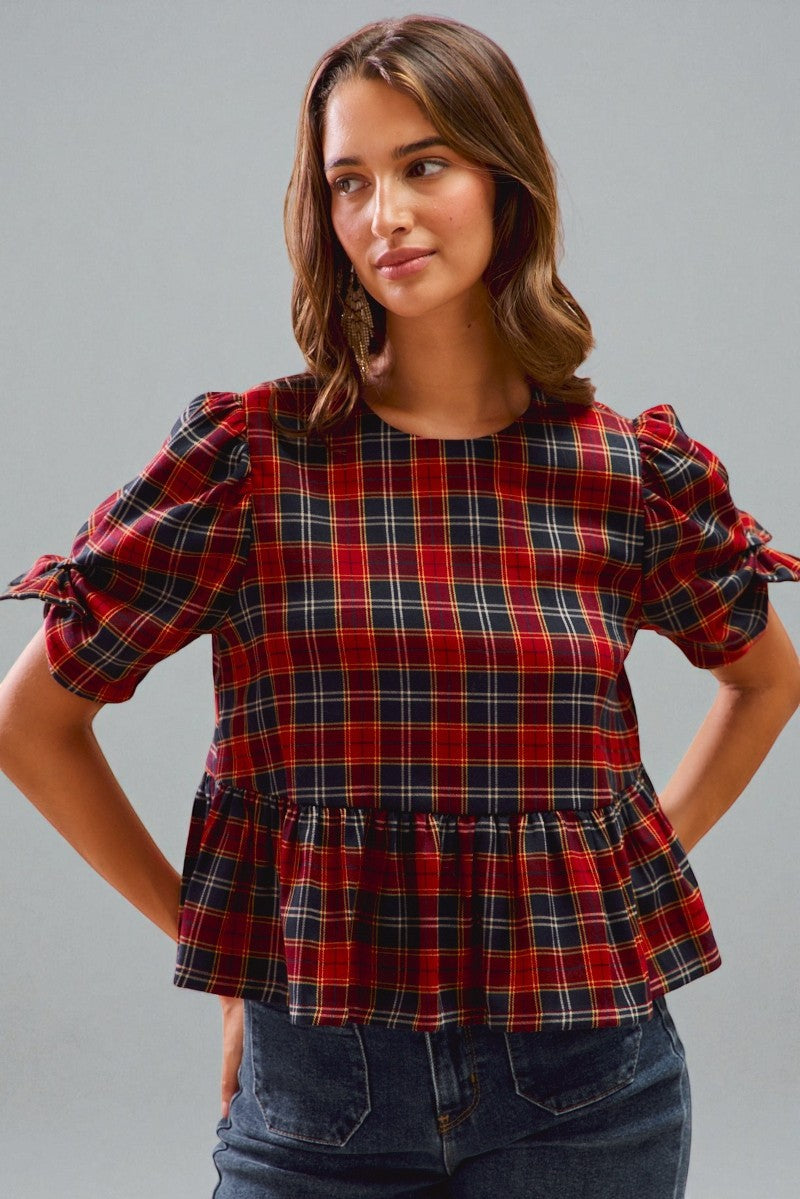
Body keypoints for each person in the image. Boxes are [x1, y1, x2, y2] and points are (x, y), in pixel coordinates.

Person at [0, 13, 798, 1198]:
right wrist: (225, 951)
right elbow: (31, 722)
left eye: (423, 165)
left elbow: (762, 677)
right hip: (317, 1094)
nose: (386, 215)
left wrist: (620, 874)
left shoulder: (621, 474)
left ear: (502, 180)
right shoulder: (247, 462)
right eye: (349, 182)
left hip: (586, 1084)